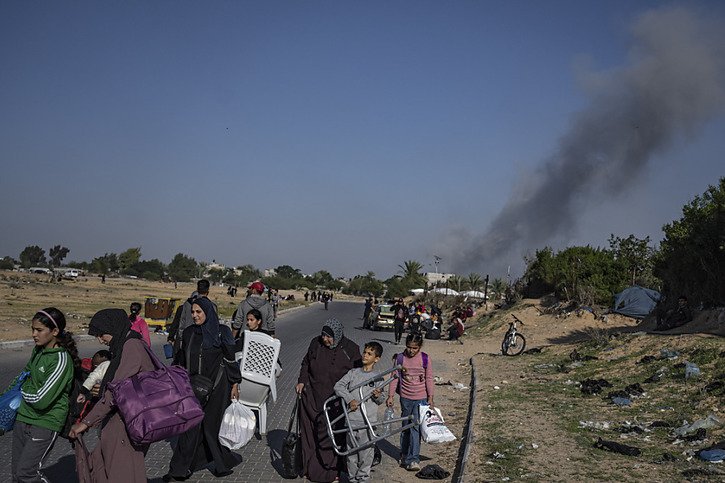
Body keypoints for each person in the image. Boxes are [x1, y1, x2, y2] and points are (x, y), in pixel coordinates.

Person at [68, 308, 156, 482]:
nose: (101, 340)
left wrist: (86, 422)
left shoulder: (131, 347)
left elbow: (116, 392)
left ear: (113, 328)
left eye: (102, 335)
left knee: (122, 473)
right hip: (121, 423)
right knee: (103, 469)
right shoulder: (125, 345)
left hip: (127, 425)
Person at [164, 297, 242, 481]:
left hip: (217, 387)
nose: (195, 315)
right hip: (194, 387)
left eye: (199, 312)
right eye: (192, 312)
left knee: (210, 427)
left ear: (208, 312)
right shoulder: (189, 333)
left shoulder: (222, 332)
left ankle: (221, 464)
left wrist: (235, 384)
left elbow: (231, 360)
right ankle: (180, 469)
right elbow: (181, 359)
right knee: (191, 426)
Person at [9, 307, 78, 483]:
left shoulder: (61, 360)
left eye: (39, 330)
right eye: (32, 329)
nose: (34, 334)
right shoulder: (38, 351)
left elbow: (41, 399)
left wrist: (22, 390)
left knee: (27, 473)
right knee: (17, 474)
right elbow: (23, 376)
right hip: (23, 417)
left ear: (55, 331)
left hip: (45, 422)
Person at [296, 319, 361, 482]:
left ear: (338, 335)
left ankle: (331, 472)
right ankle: (309, 467)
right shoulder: (315, 343)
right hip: (311, 397)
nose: (325, 339)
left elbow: (358, 374)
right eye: (323, 335)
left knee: (331, 436)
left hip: (335, 403)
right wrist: (302, 381)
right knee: (309, 434)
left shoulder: (351, 349)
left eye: (329, 336)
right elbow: (306, 363)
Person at [334, 342, 385, 483]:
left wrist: (377, 395)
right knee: (351, 455)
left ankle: (362, 479)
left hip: (368, 423)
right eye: (365, 352)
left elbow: (381, 399)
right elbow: (338, 386)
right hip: (352, 421)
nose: (365, 355)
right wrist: (350, 399)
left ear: (377, 358)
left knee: (366, 455)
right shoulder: (353, 373)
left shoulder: (378, 377)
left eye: (369, 354)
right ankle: (352, 479)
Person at [386, 333, 434, 472]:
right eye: (409, 347)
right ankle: (404, 453)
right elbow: (394, 378)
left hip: (421, 399)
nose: (411, 350)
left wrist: (430, 397)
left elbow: (429, 378)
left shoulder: (425, 359)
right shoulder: (400, 358)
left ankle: (413, 459)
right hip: (405, 398)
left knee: (415, 429)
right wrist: (390, 396)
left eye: (414, 348)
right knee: (405, 427)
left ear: (419, 347)